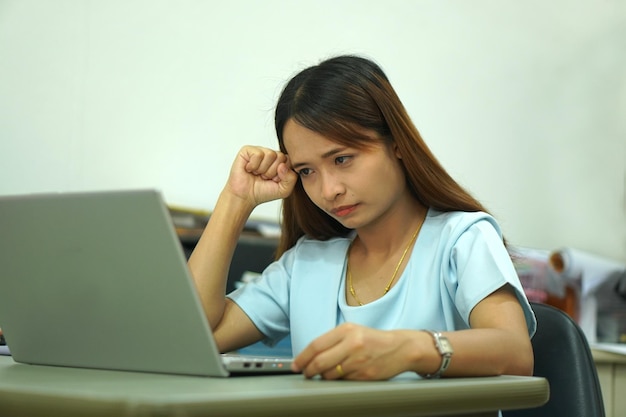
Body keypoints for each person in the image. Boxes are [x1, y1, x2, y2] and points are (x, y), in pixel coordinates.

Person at [188, 55, 535, 381]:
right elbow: (194, 339)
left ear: (396, 143)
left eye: (342, 159)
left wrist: (410, 348)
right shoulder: (307, 263)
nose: (328, 190)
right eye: (306, 170)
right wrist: (235, 201)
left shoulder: (462, 239)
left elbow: (516, 352)